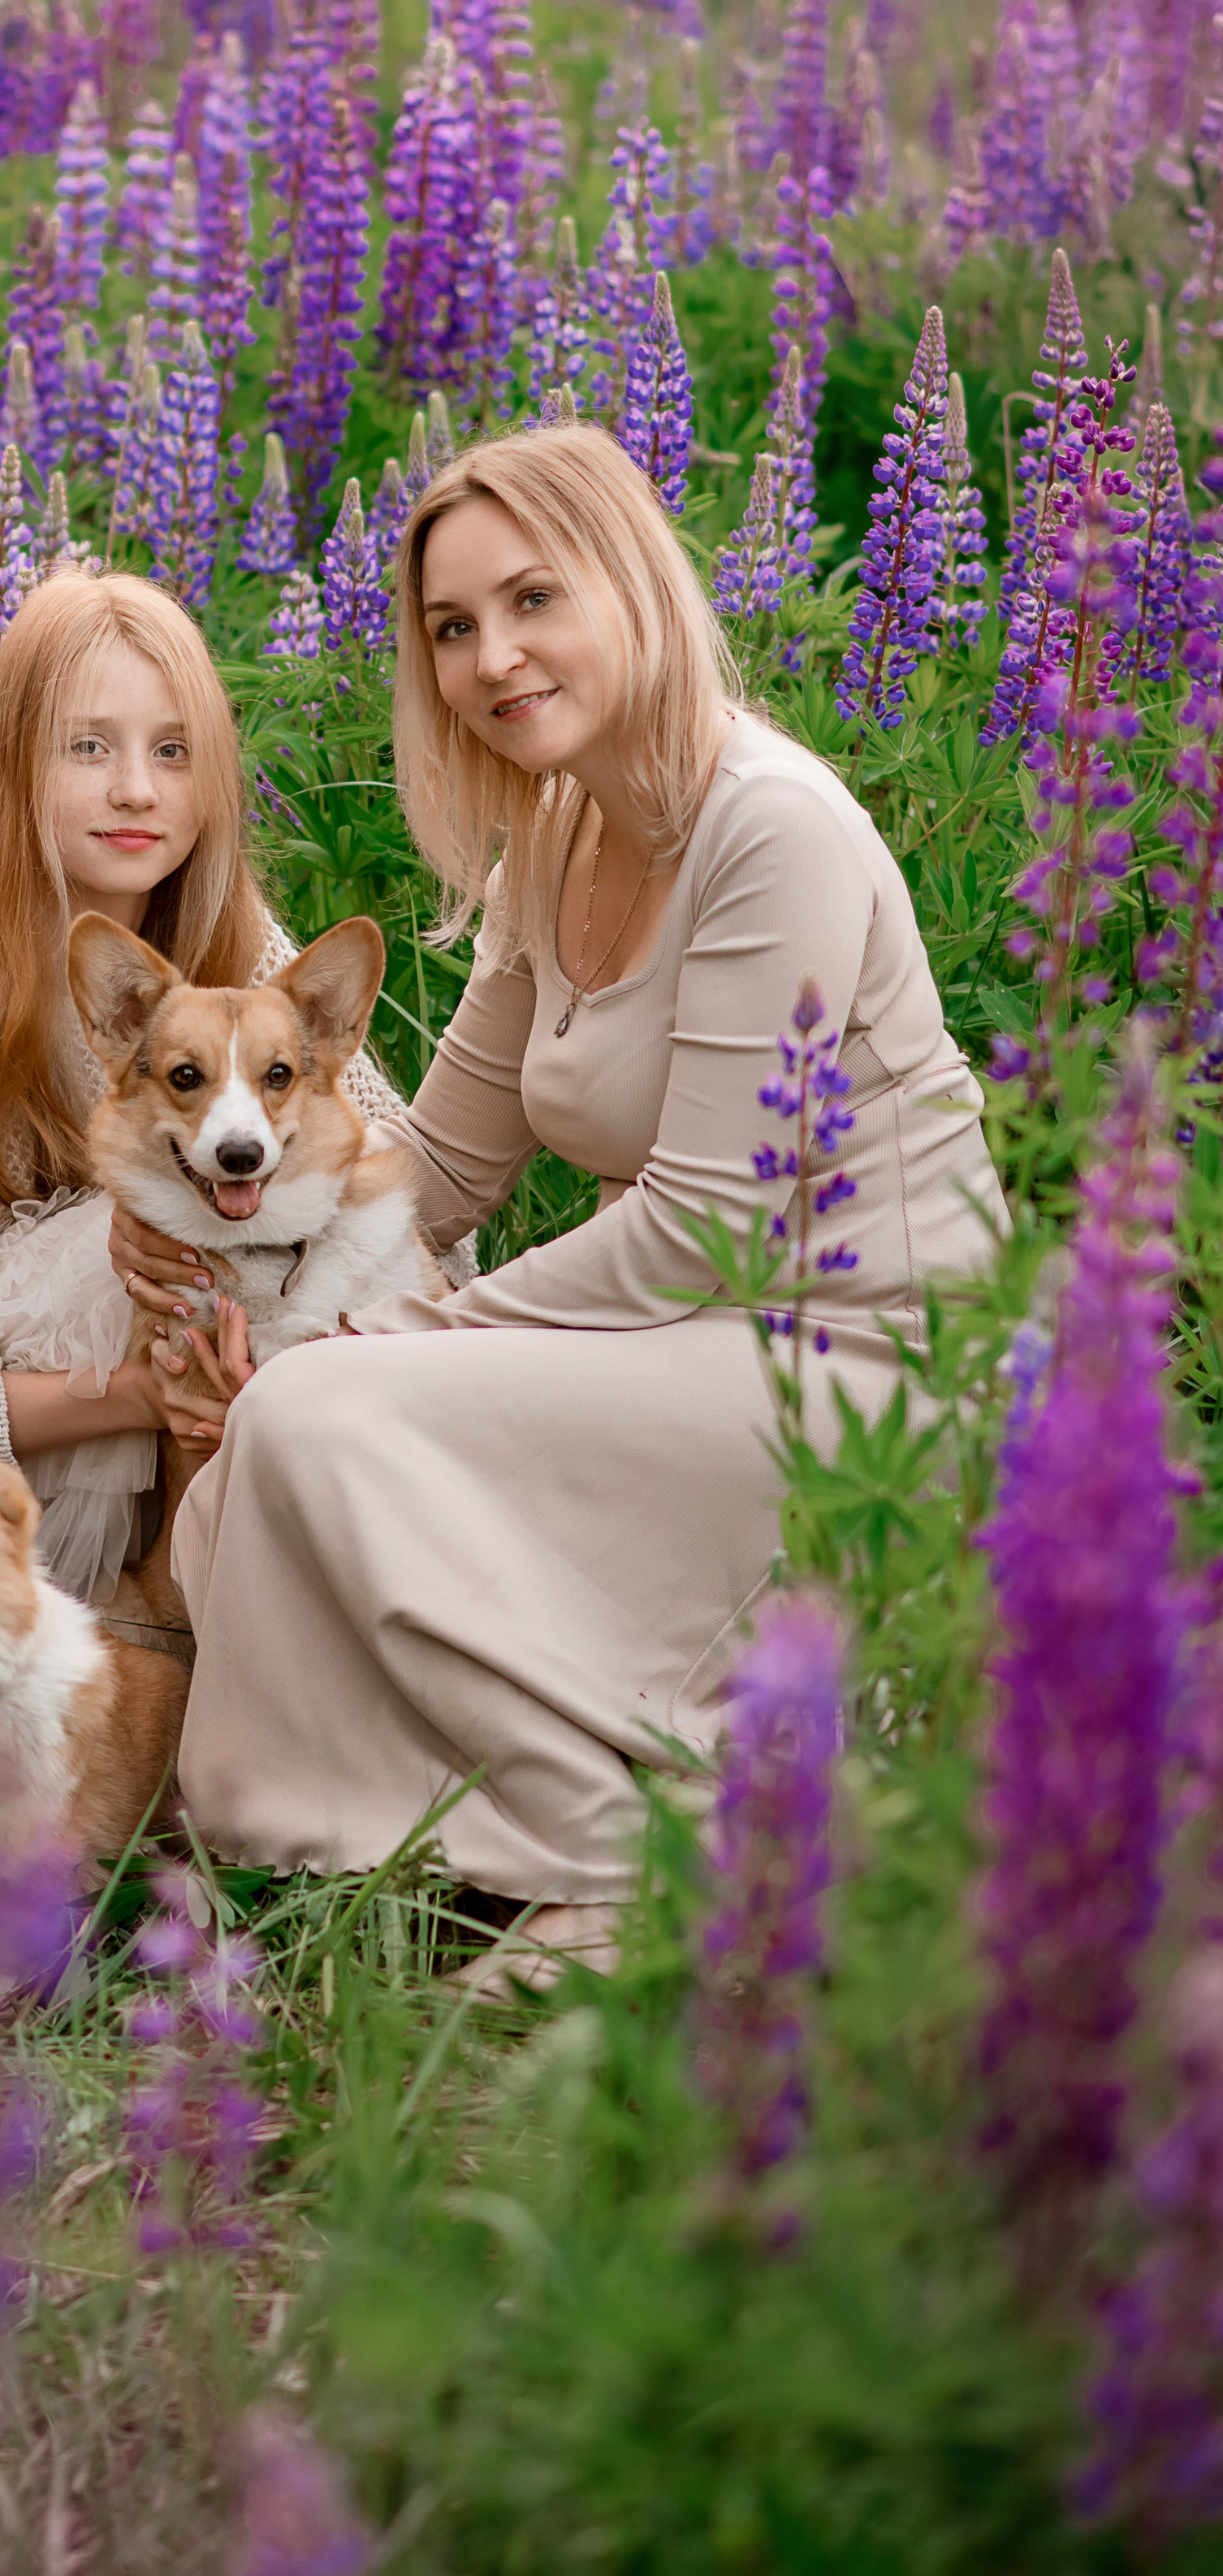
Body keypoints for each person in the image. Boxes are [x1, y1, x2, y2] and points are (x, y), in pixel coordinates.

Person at [114, 426, 1007, 1987]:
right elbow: (443, 1165)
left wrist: (394, 1339)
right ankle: (472, 1835)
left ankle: (628, 1857)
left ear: (631, 582)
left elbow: (702, 1227)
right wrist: (234, 1262)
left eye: (533, 600)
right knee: (279, 1431)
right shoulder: (563, 830)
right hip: (684, 1338)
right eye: (453, 627)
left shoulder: (771, 826)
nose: (493, 659)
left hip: (853, 1359)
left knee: (324, 1416)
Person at [0, 566, 463, 1605]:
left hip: (252, 1401)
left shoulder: (230, 939)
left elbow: (386, 1168)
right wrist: (138, 1393)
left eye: (173, 750)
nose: (136, 791)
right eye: (87, 747)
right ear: (14, 764)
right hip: (4, 1479)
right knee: (107, 1247)